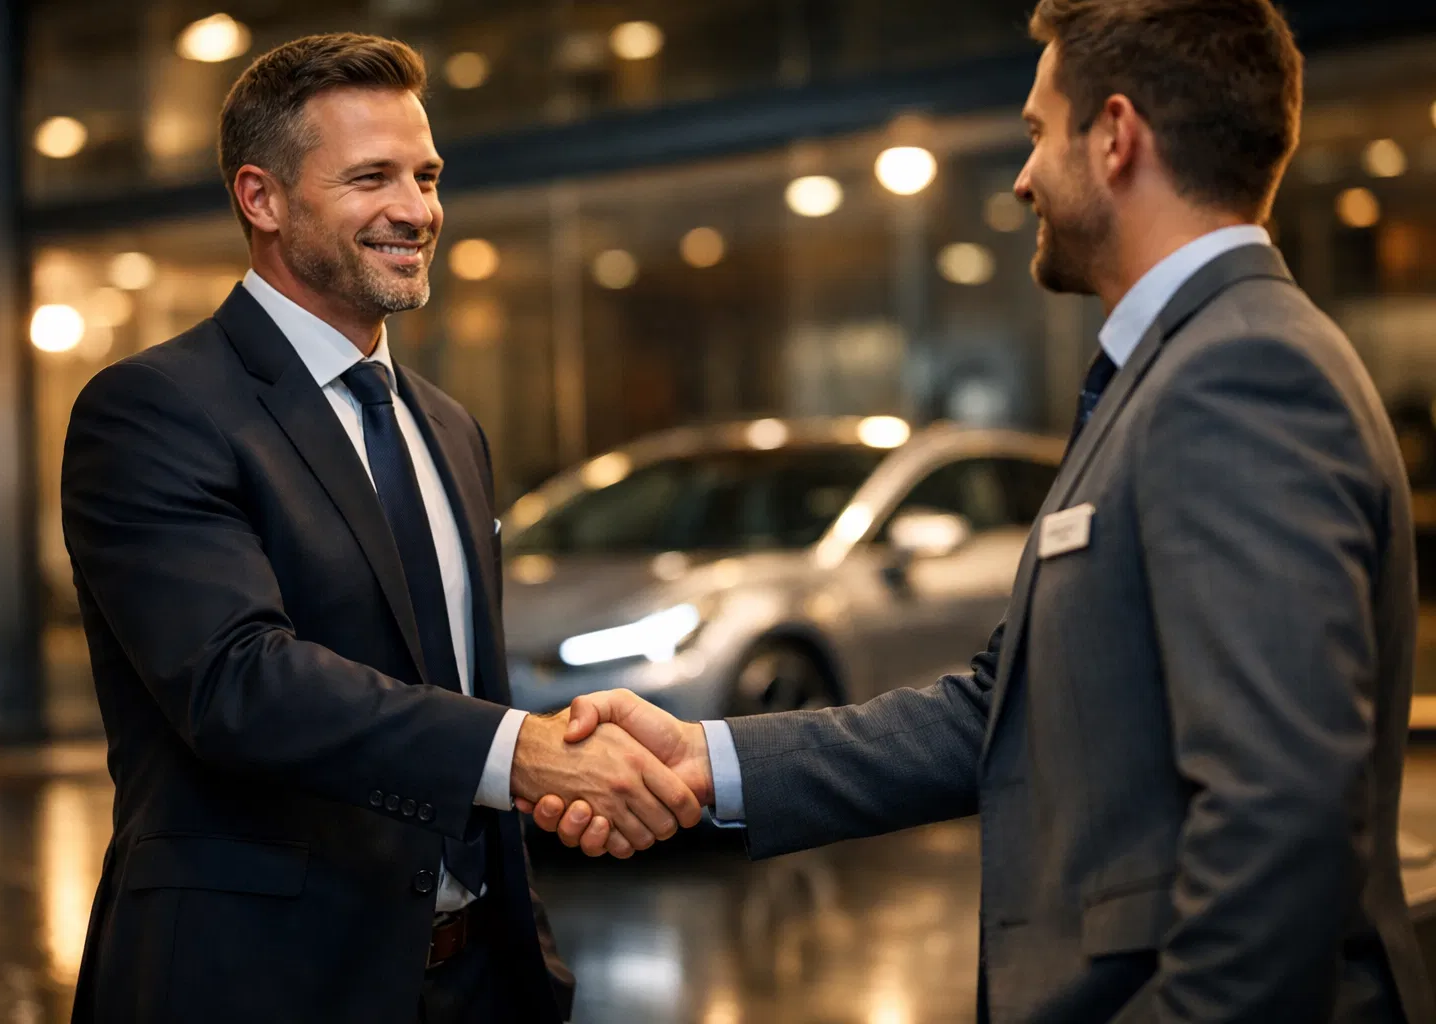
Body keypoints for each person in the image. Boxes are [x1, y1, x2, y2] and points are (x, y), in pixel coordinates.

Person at [525, 1, 1436, 1020]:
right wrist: (708, 759)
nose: (1021, 176)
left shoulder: (1239, 374)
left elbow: (1281, 818)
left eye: (1038, 132)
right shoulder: (1182, 367)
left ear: (1118, 136)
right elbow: (997, 708)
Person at [61, 33, 697, 1024]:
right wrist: (517, 750)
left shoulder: (446, 424)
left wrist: (527, 925)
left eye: (427, 174)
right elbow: (237, 682)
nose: (418, 209)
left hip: (475, 981)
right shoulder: (153, 408)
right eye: (372, 178)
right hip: (255, 987)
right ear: (261, 198)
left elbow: (457, 692)